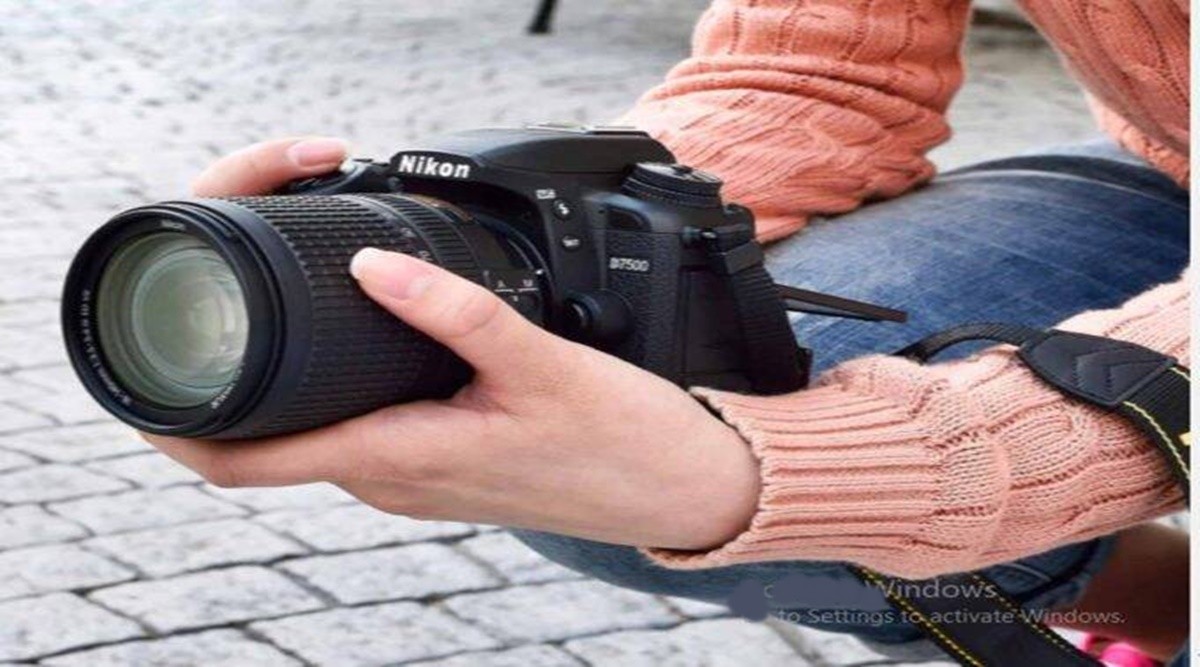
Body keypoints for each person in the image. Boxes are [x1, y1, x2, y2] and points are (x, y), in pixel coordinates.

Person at [143, 0, 1190, 663]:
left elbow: (824, 470)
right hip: (1168, 158)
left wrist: (790, 475)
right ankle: (1161, 602)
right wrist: (525, 227)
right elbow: (819, 68)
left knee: (788, 474)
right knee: (615, 452)